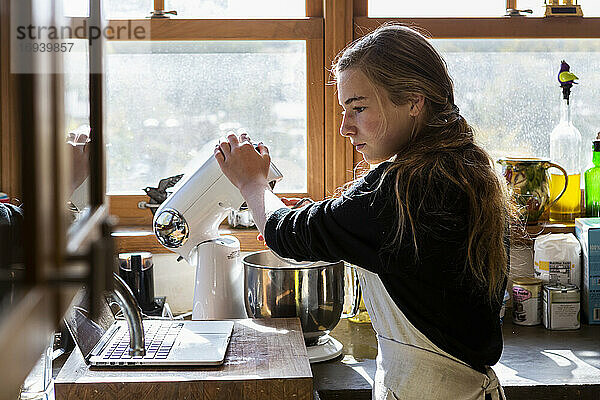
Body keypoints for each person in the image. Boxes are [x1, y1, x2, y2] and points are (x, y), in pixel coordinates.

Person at [214, 23, 516, 400]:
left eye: (358, 108)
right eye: (344, 109)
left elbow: (288, 234)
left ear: (413, 102)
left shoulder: (405, 188)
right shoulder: (464, 169)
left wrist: (252, 183)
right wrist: (325, 217)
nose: (344, 126)